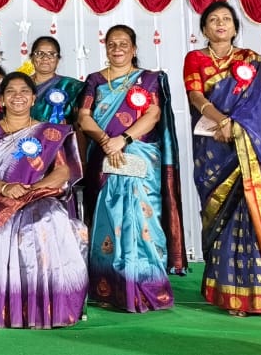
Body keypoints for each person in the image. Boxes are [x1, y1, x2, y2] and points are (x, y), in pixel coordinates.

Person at [184, 1, 261, 321]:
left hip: (247, 145)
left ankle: (259, 294)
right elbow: (195, 95)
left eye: (226, 19)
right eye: (213, 20)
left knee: (253, 214)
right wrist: (222, 121)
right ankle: (227, 293)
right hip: (213, 146)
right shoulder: (195, 58)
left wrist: (235, 127)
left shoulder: (249, 58)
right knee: (220, 217)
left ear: (235, 27)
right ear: (204, 29)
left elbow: (256, 104)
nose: (220, 24)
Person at [0, 72, 88, 329]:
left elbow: (62, 171)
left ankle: (49, 307)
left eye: (24, 91)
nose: (18, 96)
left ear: (33, 98)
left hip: (38, 197)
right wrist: (5, 187)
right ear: (2, 100)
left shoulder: (49, 133)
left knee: (49, 220)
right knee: (14, 228)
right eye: (11, 91)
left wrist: (33, 190)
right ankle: (18, 308)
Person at [78, 25, 185, 313]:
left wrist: (122, 140)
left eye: (124, 43)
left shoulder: (148, 79)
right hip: (103, 157)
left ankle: (148, 287)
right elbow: (84, 116)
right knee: (108, 218)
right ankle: (109, 287)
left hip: (140, 154)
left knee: (143, 218)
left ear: (134, 48)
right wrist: (106, 142)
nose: (117, 49)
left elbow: (153, 113)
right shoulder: (95, 80)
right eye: (112, 44)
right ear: (106, 48)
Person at [29, 36, 84, 126]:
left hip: (60, 134)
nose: (45, 58)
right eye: (39, 53)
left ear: (58, 59)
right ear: (31, 58)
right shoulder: (20, 85)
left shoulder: (72, 86)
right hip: (21, 134)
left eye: (51, 54)